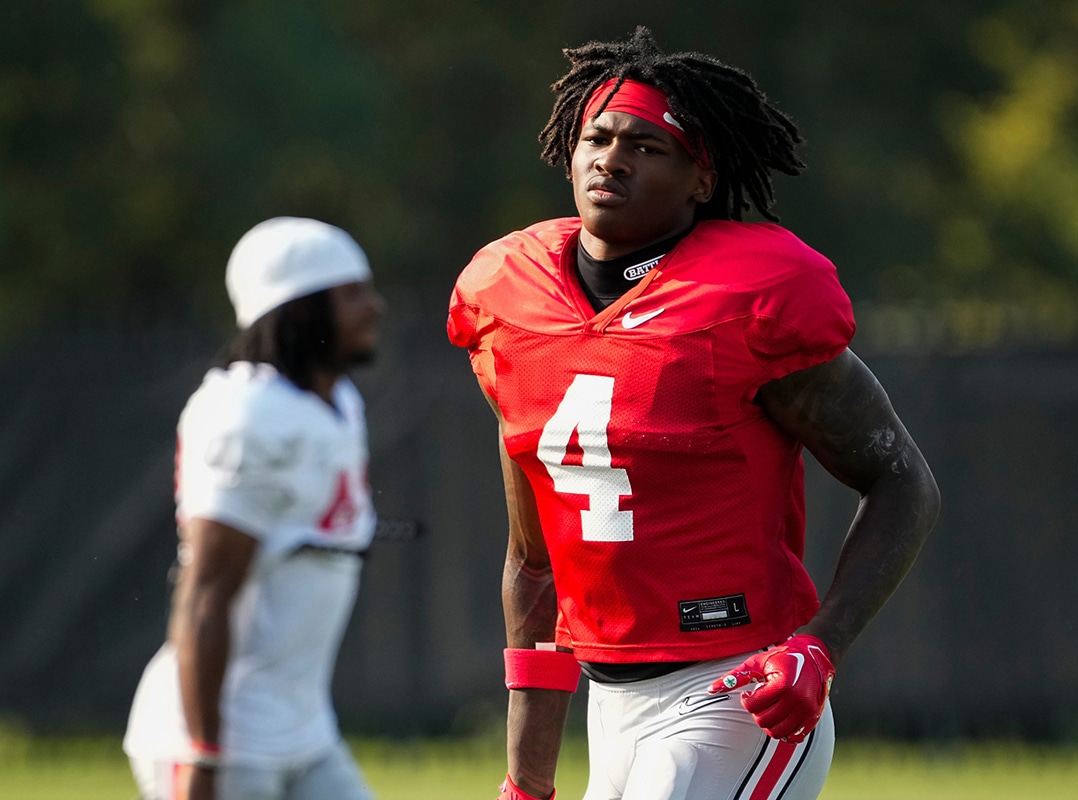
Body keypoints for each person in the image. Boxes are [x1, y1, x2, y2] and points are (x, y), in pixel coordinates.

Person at [447, 27, 941, 800]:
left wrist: (821, 646)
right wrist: (527, 779)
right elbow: (535, 564)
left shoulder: (751, 295)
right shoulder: (509, 299)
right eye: (598, 137)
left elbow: (904, 482)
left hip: (737, 689)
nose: (611, 157)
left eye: (647, 146)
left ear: (701, 179)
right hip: (609, 706)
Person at [124, 217, 385, 800]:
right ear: (297, 308)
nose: (374, 307)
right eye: (350, 293)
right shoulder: (247, 415)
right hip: (229, 738)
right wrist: (202, 751)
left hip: (304, 730)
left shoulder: (337, 400)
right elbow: (205, 591)